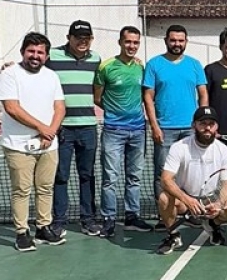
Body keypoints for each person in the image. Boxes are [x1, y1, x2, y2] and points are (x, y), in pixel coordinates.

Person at [0, 32, 66, 251]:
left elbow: (59, 107)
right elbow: (12, 108)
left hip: (48, 144)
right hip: (18, 145)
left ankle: (43, 227)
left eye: (40, 52)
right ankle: (21, 232)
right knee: (21, 190)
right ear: (23, 52)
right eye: (31, 51)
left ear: (46, 56)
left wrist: (50, 133)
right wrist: (42, 128)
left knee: (45, 188)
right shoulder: (9, 75)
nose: (35, 56)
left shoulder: (51, 76)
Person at [144, 24, 208, 228]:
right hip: (165, 130)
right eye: (173, 40)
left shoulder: (195, 65)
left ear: (186, 42)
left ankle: (192, 212)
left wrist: (201, 122)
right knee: (163, 174)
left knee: (192, 172)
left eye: (181, 40)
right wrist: (154, 125)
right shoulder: (154, 64)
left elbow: (203, 94)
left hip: (190, 129)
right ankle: (166, 216)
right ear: (166, 41)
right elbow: (148, 97)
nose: (177, 44)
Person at [155, 106, 227, 255]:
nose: (207, 128)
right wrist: (188, 200)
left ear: (216, 127)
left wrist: (219, 204)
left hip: (210, 199)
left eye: (211, 124)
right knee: (164, 198)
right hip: (184, 198)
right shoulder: (179, 147)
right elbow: (166, 179)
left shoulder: (225, 151)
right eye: (202, 123)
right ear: (193, 125)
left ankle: (212, 223)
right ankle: (173, 235)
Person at [94, 25, 152, 237]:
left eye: (136, 42)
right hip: (113, 130)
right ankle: (108, 219)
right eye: (128, 42)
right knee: (110, 177)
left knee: (134, 177)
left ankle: (131, 217)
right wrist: (115, 113)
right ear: (120, 42)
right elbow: (97, 97)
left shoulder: (141, 67)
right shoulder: (106, 67)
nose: (132, 46)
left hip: (138, 131)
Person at [48, 20, 103, 237]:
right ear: (68, 38)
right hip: (62, 129)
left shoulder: (96, 59)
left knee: (87, 175)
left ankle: (88, 220)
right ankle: (58, 221)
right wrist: (11, 67)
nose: (82, 42)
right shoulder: (52, 57)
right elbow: (30, 66)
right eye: (78, 37)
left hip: (88, 127)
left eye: (86, 38)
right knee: (60, 175)